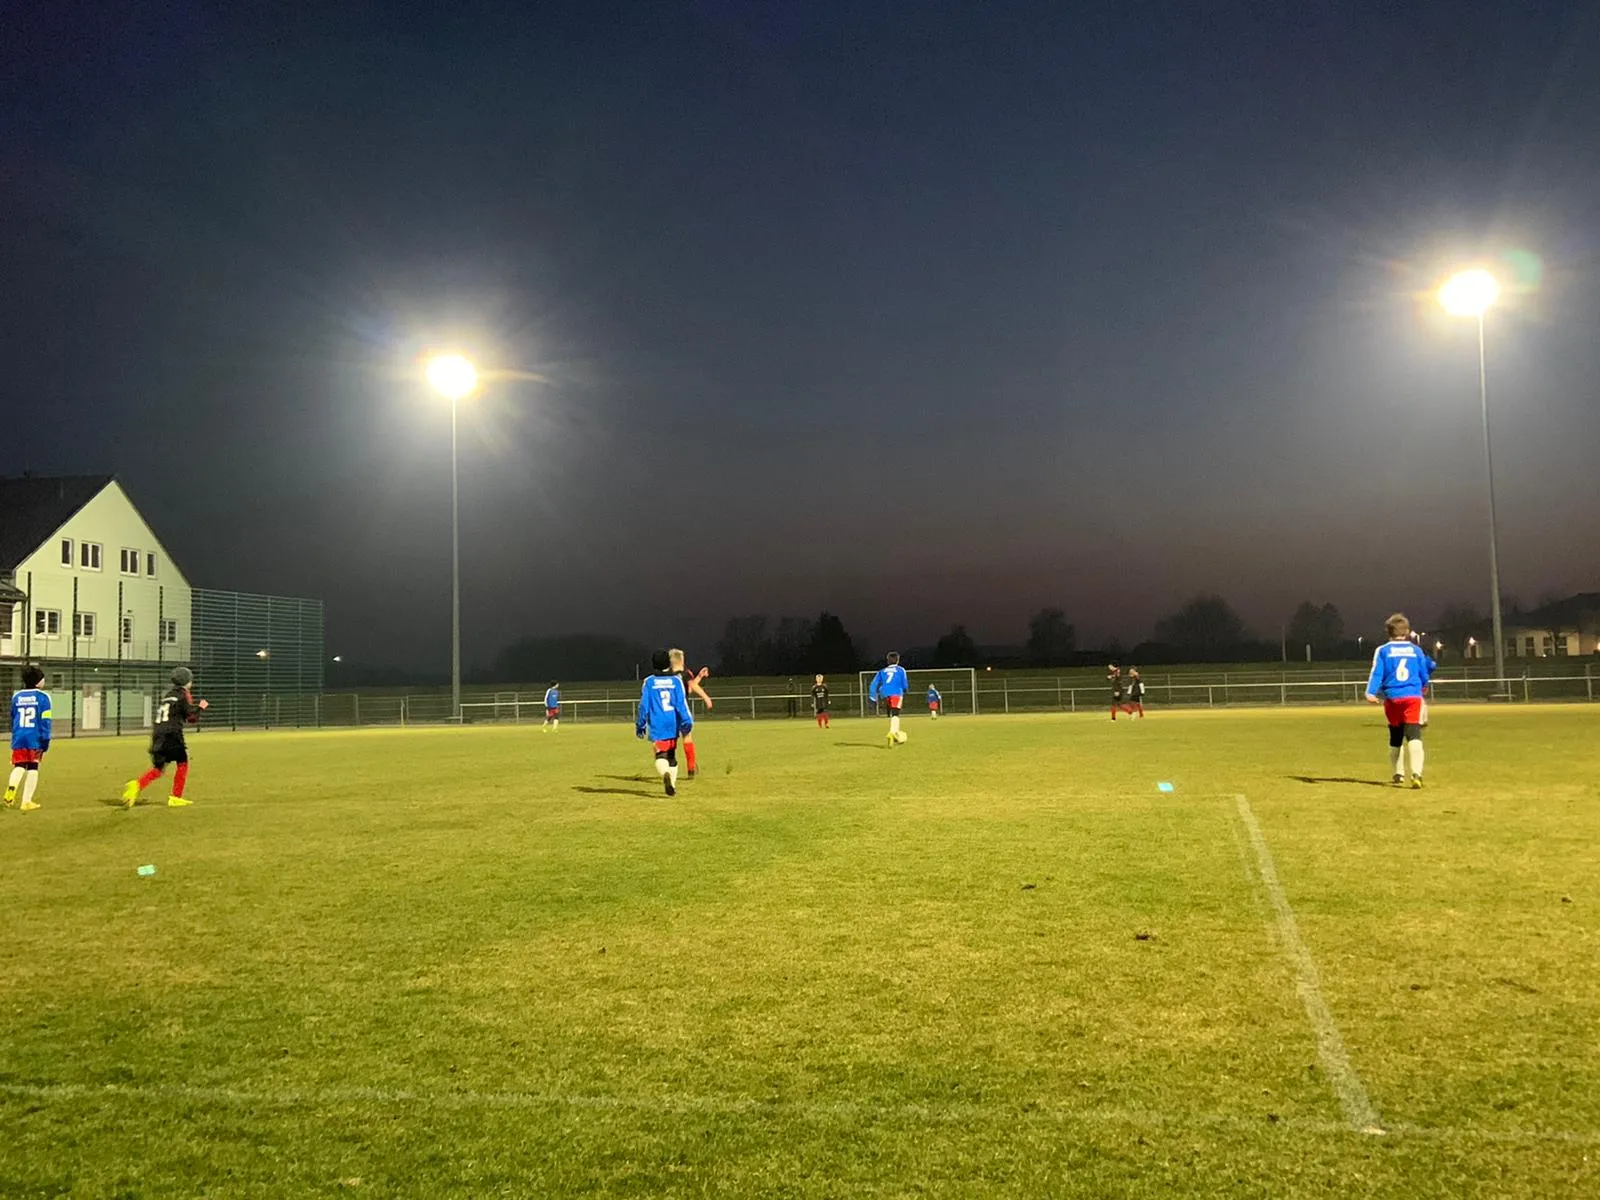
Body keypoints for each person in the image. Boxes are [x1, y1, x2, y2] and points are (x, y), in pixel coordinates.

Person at [122, 666, 209, 808]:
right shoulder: (184, 694)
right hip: (171, 734)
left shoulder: (168, 695)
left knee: (158, 768)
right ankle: (176, 797)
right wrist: (201, 708)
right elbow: (191, 717)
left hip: (158, 735)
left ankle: (136, 785)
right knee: (182, 763)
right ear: (187, 681)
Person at [1365, 612, 1435, 788]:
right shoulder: (1416, 650)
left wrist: (1370, 692)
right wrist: (1424, 685)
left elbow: (1377, 673)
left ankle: (1398, 773)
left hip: (1392, 698)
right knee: (1414, 735)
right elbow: (1423, 672)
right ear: (1408, 631)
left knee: (1395, 736)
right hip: (1412, 697)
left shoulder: (1383, 650)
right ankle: (1417, 774)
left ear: (1388, 632)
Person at [637, 650, 693, 796]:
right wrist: (687, 721)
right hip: (673, 723)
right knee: (672, 756)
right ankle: (672, 786)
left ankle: (665, 774)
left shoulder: (649, 682)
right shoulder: (676, 681)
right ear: (668, 663)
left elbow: (644, 706)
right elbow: (681, 704)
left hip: (657, 724)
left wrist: (640, 724)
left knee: (660, 755)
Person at [5, 665, 51, 813]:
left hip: (19, 738)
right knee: (33, 767)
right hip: (35, 739)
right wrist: (45, 741)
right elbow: (45, 721)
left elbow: (13, 717)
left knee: (19, 766)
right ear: (38, 681)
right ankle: (26, 801)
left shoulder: (16, 696)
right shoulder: (43, 697)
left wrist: (16, 736)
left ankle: (11, 790)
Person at [668, 649, 713, 779]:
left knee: (670, 740)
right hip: (682, 711)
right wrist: (706, 697)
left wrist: (699, 676)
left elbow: (688, 687)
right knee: (687, 737)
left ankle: (669, 768)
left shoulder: (667, 675)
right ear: (682, 660)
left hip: (668, 712)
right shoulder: (685, 673)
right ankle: (691, 768)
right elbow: (691, 687)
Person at [868, 651, 909, 747]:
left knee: (893, 713)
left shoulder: (882, 671)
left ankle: (895, 735)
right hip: (896, 692)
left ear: (888, 661)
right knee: (896, 713)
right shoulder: (901, 670)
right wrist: (905, 689)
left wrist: (872, 697)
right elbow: (904, 683)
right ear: (898, 660)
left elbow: (873, 684)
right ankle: (892, 732)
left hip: (884, 693)